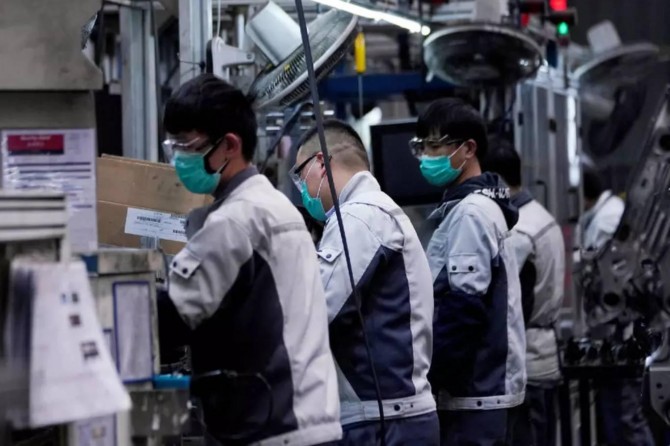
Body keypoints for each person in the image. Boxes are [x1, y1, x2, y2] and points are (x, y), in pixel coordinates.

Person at [156, 74, 342, 446]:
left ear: (229, 145)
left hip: (275, 427)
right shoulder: (273, 206)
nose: (178, 159)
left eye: (187, 146)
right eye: (172, 147)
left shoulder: (237, 220)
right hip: (306, 419)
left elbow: (173, 317)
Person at [292, 120, 439, 445]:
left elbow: (316, 310)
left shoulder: (360, 217)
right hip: (389, 416)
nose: (301, 189)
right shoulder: (373, 212)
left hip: (384, 423)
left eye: (300, 175)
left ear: (320, 162)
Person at [414, 98, 526, 446]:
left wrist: (431, 376)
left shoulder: (471, 213)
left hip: (475, 395)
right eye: (422, 147)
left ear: (468, 149)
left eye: (435, 146)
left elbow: (464, 309)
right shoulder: (470, 207)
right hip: (478, 394)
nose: (426, 157)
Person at [482, 137, 566, 446]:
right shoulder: (543, 216)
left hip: (527, 361)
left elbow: (504, 300)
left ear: (496, 181)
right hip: (544, 357)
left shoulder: (518, 232)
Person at [580, 167, 654, 446]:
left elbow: (611, 279)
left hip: (624, 330)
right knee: (617, 412)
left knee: (625, 414)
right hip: (621, 329)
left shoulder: (607, 220)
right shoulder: (610, 213)